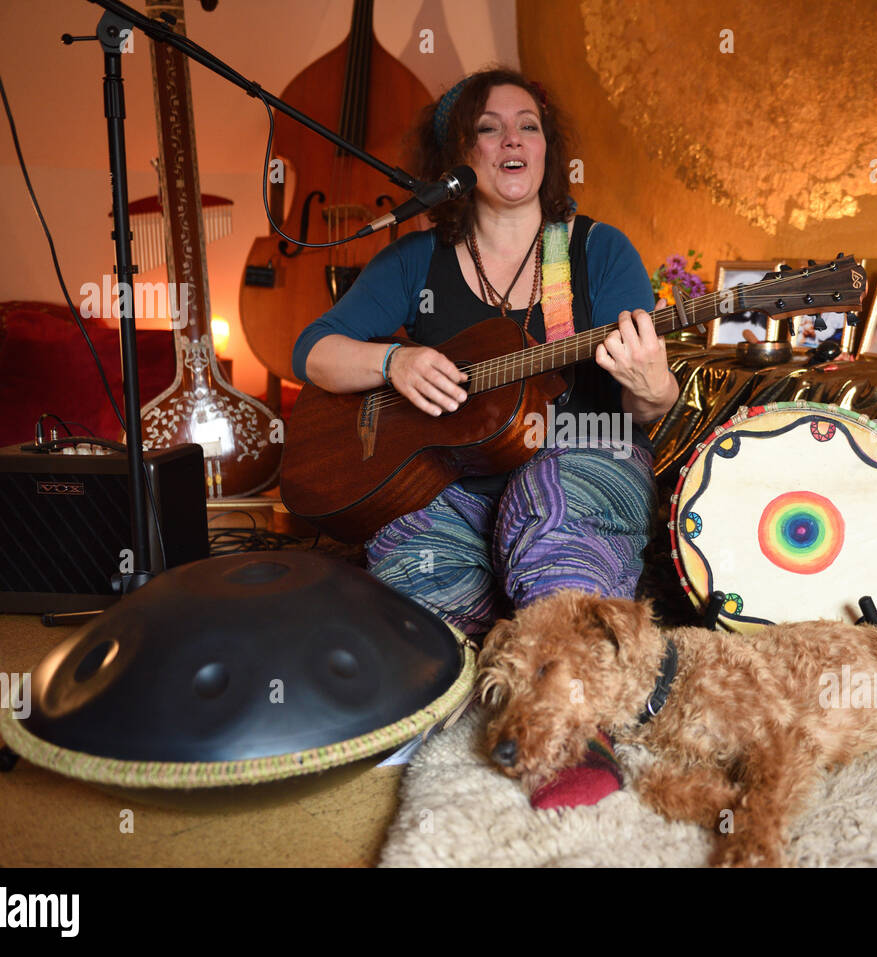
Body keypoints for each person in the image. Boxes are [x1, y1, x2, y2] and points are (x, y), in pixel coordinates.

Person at [291, 68, 679, 808]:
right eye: (488, 127)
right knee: (405, 535)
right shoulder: (415, 261)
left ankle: (571, 726)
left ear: (547, 148)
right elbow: (312, 348)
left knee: (549, 491)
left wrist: (651, 381)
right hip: (462, 483)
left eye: (528, 125)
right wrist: (391, 360)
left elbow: (649, 406)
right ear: (456, 157)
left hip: (585, 460)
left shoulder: (597, 251)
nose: (512, 140)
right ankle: (445, 692)